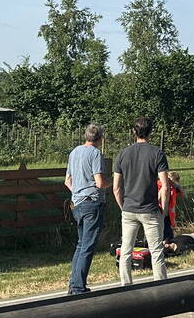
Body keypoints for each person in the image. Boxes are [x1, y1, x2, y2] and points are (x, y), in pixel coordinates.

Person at [113, 116, 170, 285]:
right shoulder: (157, 153)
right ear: (150, 132)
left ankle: (126, 285)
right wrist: (164, 210)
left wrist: (123, 206)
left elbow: (116, 188)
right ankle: (160, 287)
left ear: (133, 132)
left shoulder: (123, 154)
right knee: (156, 251)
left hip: (129, 209)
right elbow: (165, 186)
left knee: (126, 250)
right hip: (150, 209)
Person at [64, 123, 110, 295]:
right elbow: (100, 182)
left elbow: (68, 181)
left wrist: (77, 192)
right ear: (100, 138)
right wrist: (113, 181)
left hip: (77, 203)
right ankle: (78, 287)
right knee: (88, 246)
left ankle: (74, 283)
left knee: (81, 244)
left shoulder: (74, 152)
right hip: (92, 202)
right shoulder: (95, 154)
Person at [158, 171, 185, 249]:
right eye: (170, 181)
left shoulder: (173, 188)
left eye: (173, 183)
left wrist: (179, 186)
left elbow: (183, 196)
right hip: (159, 211)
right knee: (158, 231)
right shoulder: (159, 185)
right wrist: (163, 188)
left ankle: (168, 247)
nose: (171, 184)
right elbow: (157, 198)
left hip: (168, 214)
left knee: (168, 234)